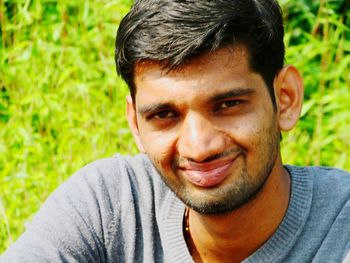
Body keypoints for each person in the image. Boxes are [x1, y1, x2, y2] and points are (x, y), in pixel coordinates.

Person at [2, 0, 350, 262]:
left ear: (285, 99)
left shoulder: (340, 229)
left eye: (228, 105)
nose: (199, 146)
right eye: (164, 115)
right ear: (136, 123)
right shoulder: (111, 209)